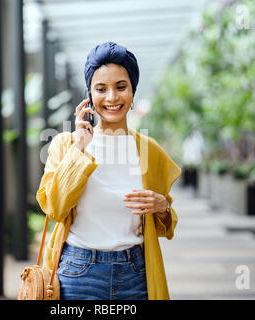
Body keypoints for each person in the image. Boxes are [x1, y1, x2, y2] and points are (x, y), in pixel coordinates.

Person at [36, 41, 182, 300]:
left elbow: (165, 226)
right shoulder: (65, 144)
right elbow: (56, 208)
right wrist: (79, 147)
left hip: (137, 273)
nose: (112, 98)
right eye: (101, 89)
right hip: (78, 274)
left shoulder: (149, 149)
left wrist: (162, 206)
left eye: (121, 87)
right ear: (89, 95)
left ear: (132, 91)